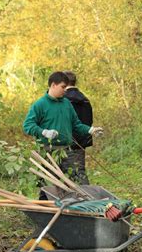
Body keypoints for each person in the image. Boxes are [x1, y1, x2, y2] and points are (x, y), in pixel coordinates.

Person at [23, 71, 103, 199]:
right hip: (49, 151)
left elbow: (76, 125)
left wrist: (90, 130)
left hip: (67, 150)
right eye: (62, 87)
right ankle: (45, 211)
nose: (65, 90)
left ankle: (81, 207)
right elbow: (27, 125)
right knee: (50, 184)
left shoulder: (66, 104)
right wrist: (43, 132)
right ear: (53, 85)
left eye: (66, 87)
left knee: (77, 179)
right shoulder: (40, 104)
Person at [63, 70, 93, 185]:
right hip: (81, 142)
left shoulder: (62, 100)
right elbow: (89, 121)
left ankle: (86, 198)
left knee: (68, 173)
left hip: (66, 142)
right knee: (79, 170)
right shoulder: (85, 99)